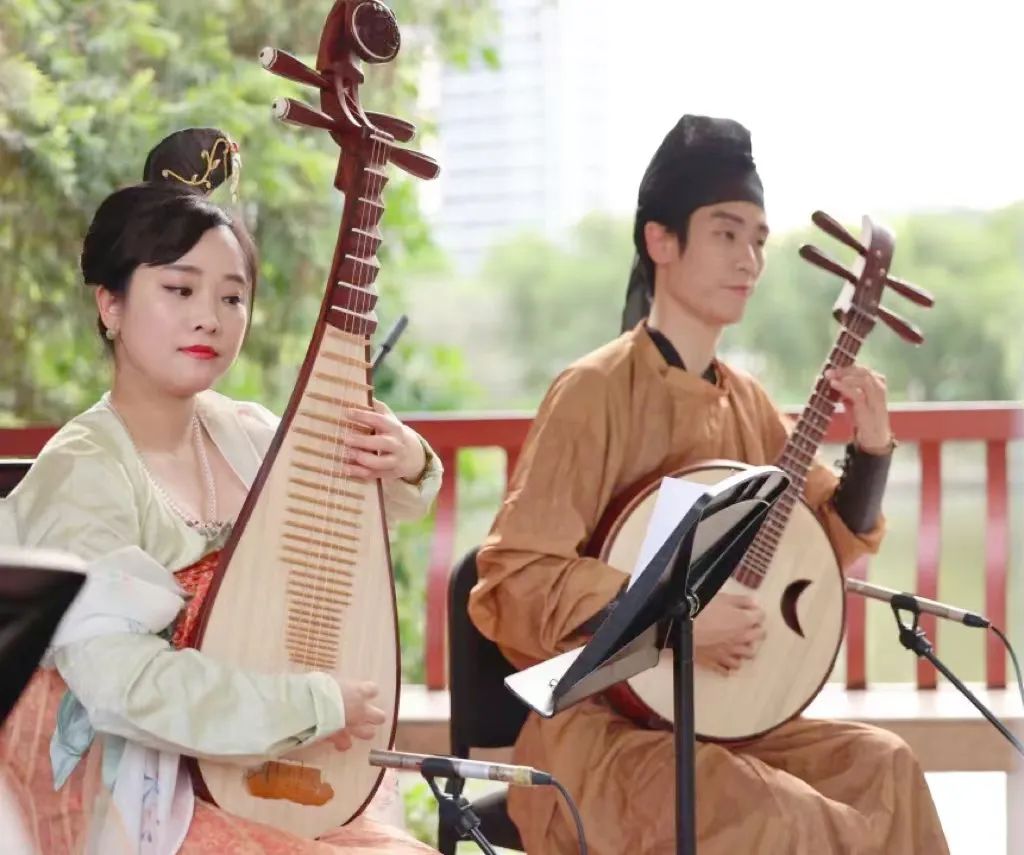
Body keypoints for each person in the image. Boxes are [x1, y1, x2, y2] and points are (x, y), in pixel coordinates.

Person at [469, 115, 949, 853]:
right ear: (661, 241)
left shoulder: (746, 401)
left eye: (758, 239)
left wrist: (873, 449)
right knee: (774, 815)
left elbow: (822, 540)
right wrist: (676, 616)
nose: (748, 259)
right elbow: (515, 579)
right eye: (726, 233)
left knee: (884, 767)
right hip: (601, 734)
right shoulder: (594, 391)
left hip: (725, 719)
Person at [0, 137, 441, 853]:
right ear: (110, 304)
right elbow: (119, 681)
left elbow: (358, 517)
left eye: (232, 296)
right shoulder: (82, 470)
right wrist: (310, 702)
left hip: (288, 768)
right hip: (151, 791)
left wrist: (406, 461)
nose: (210, 316)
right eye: (180, 290)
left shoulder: (247, 431)